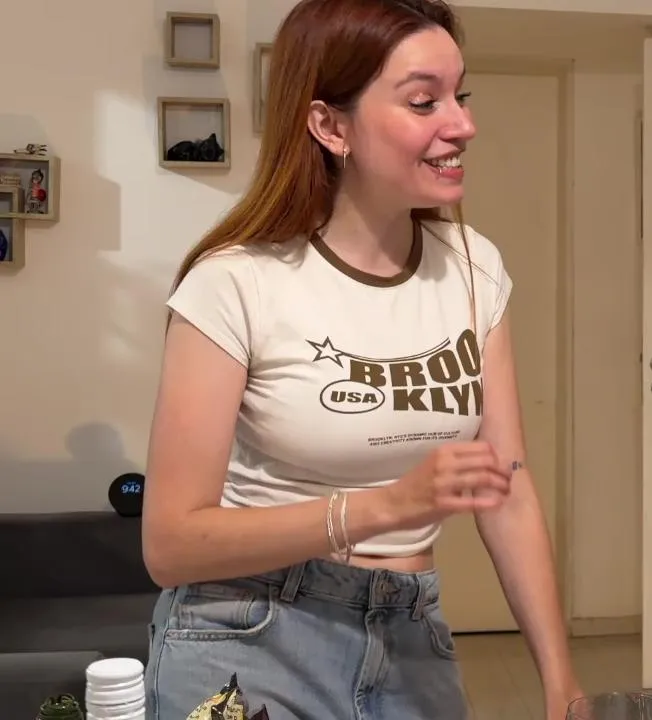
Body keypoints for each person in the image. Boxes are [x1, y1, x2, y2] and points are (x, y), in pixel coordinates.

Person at [140, 1, 582, 718]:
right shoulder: (234, 282)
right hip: (249, 631)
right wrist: (385, 507)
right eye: (424, 102)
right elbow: (171, 543)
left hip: (410, 629)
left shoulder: (474, 267)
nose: (462, 124)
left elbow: (508, 489)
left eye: (460, 95)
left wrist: (563, 683)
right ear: (330, 126)